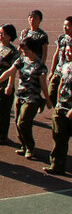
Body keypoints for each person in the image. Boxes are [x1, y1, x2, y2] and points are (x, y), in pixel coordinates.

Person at [0, 35, 48, 161]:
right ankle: (24, 144)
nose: (23, 51)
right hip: (20, 96)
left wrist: (47, 100)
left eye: (26, 49)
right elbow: (10, 71)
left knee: (23, 122)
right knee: (17, 122)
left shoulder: (40, 66)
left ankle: (30, 147)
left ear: (32, 49)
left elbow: (43, 84)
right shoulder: (22, 60)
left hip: (32, 98)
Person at [48, 41, 72, 176]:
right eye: (66, 51)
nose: (67, 53)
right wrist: (58, 103)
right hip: (62, 107)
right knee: (58, 137)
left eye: (70, 51)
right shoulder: (66, 66)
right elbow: (61, 84)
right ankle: (57, 165)